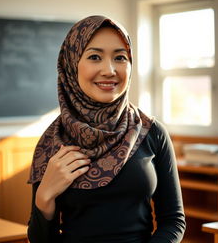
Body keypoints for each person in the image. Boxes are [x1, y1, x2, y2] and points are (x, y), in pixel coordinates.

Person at [27, 15, 186, 243]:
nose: (110, 70)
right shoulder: (53, 140)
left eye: (120, 57)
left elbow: (173, 220)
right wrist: (44, 197)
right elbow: (41, 240)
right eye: (94, 57)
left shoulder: (151, 131)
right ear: (72, 64)